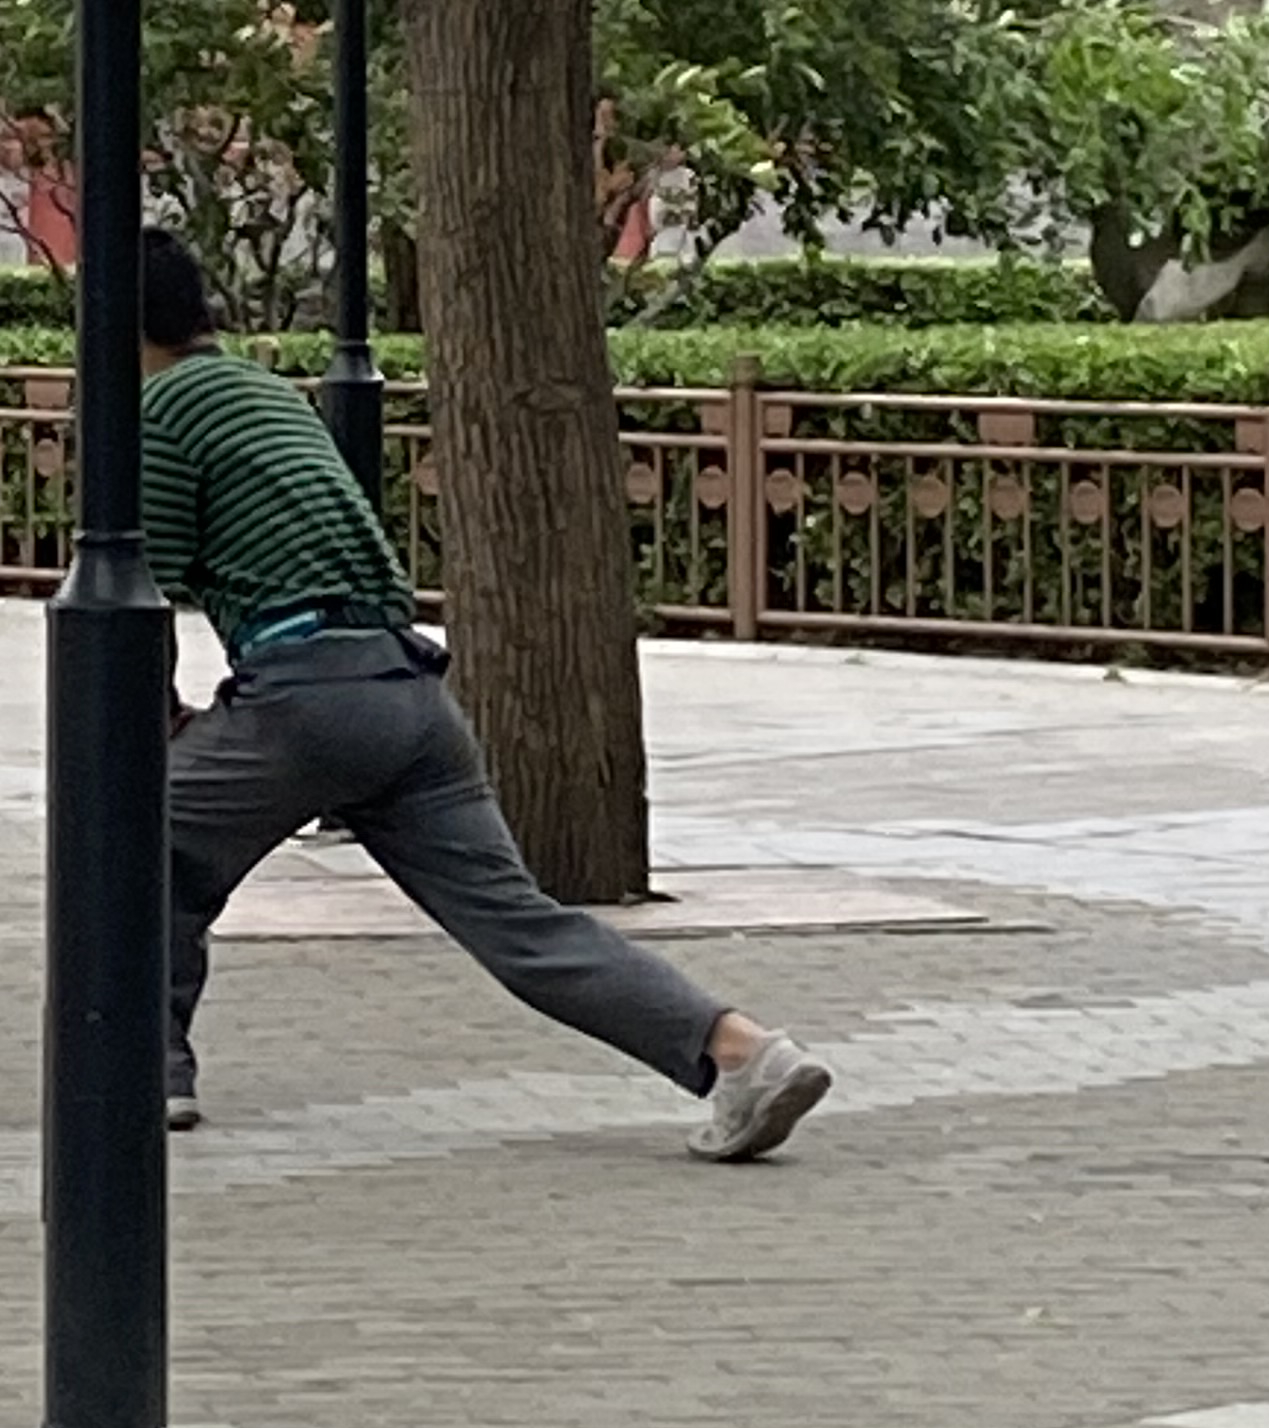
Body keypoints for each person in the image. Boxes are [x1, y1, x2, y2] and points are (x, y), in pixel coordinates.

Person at [142, 229, 828, 1157]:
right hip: (409, 694)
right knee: (520, 923)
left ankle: (146, 1073)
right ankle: (743, 1052)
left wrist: (156, 721)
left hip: (303, 700)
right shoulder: (265, 394)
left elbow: (134, 587)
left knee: (134, 849)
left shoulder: (162, 409)